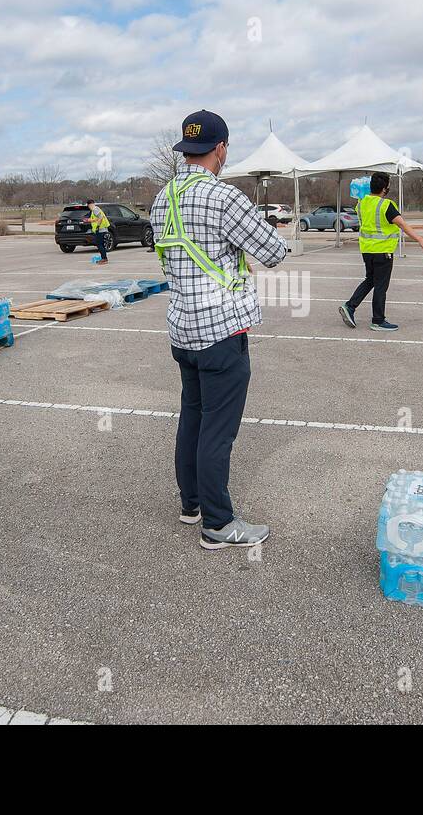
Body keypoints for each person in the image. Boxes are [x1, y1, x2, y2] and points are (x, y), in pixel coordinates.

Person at [151, 110, 288, 551]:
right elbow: (273, 252)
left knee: (192, 416)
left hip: (182, 329)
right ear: (221, 148)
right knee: (218, 430)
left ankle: (190, 504)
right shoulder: (224, 198)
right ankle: (218, 523)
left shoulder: (162, 198)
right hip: (221, 331)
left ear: (184, 149)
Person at [338, 172, 423, 332]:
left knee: (371, 280)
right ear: (385, 188)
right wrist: (420, 239)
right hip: (383, 251)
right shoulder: (386, 205)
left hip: (367, 250)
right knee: (380, 286)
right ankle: (378, 320)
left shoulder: (361, 204)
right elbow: (403, 225)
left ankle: (350, 306)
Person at [86, 199, 111, 264]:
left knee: (99, 244)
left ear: (90, 205)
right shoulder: (96, 209)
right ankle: (104, 258)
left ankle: (104, 259)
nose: (89, 207)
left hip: (100, 229)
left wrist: (98, 226)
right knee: (101, 244)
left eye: (88, 206)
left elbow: (100, 217)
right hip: (102, 229)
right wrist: (90, 220)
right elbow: (97, 218)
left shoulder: (95, 209)